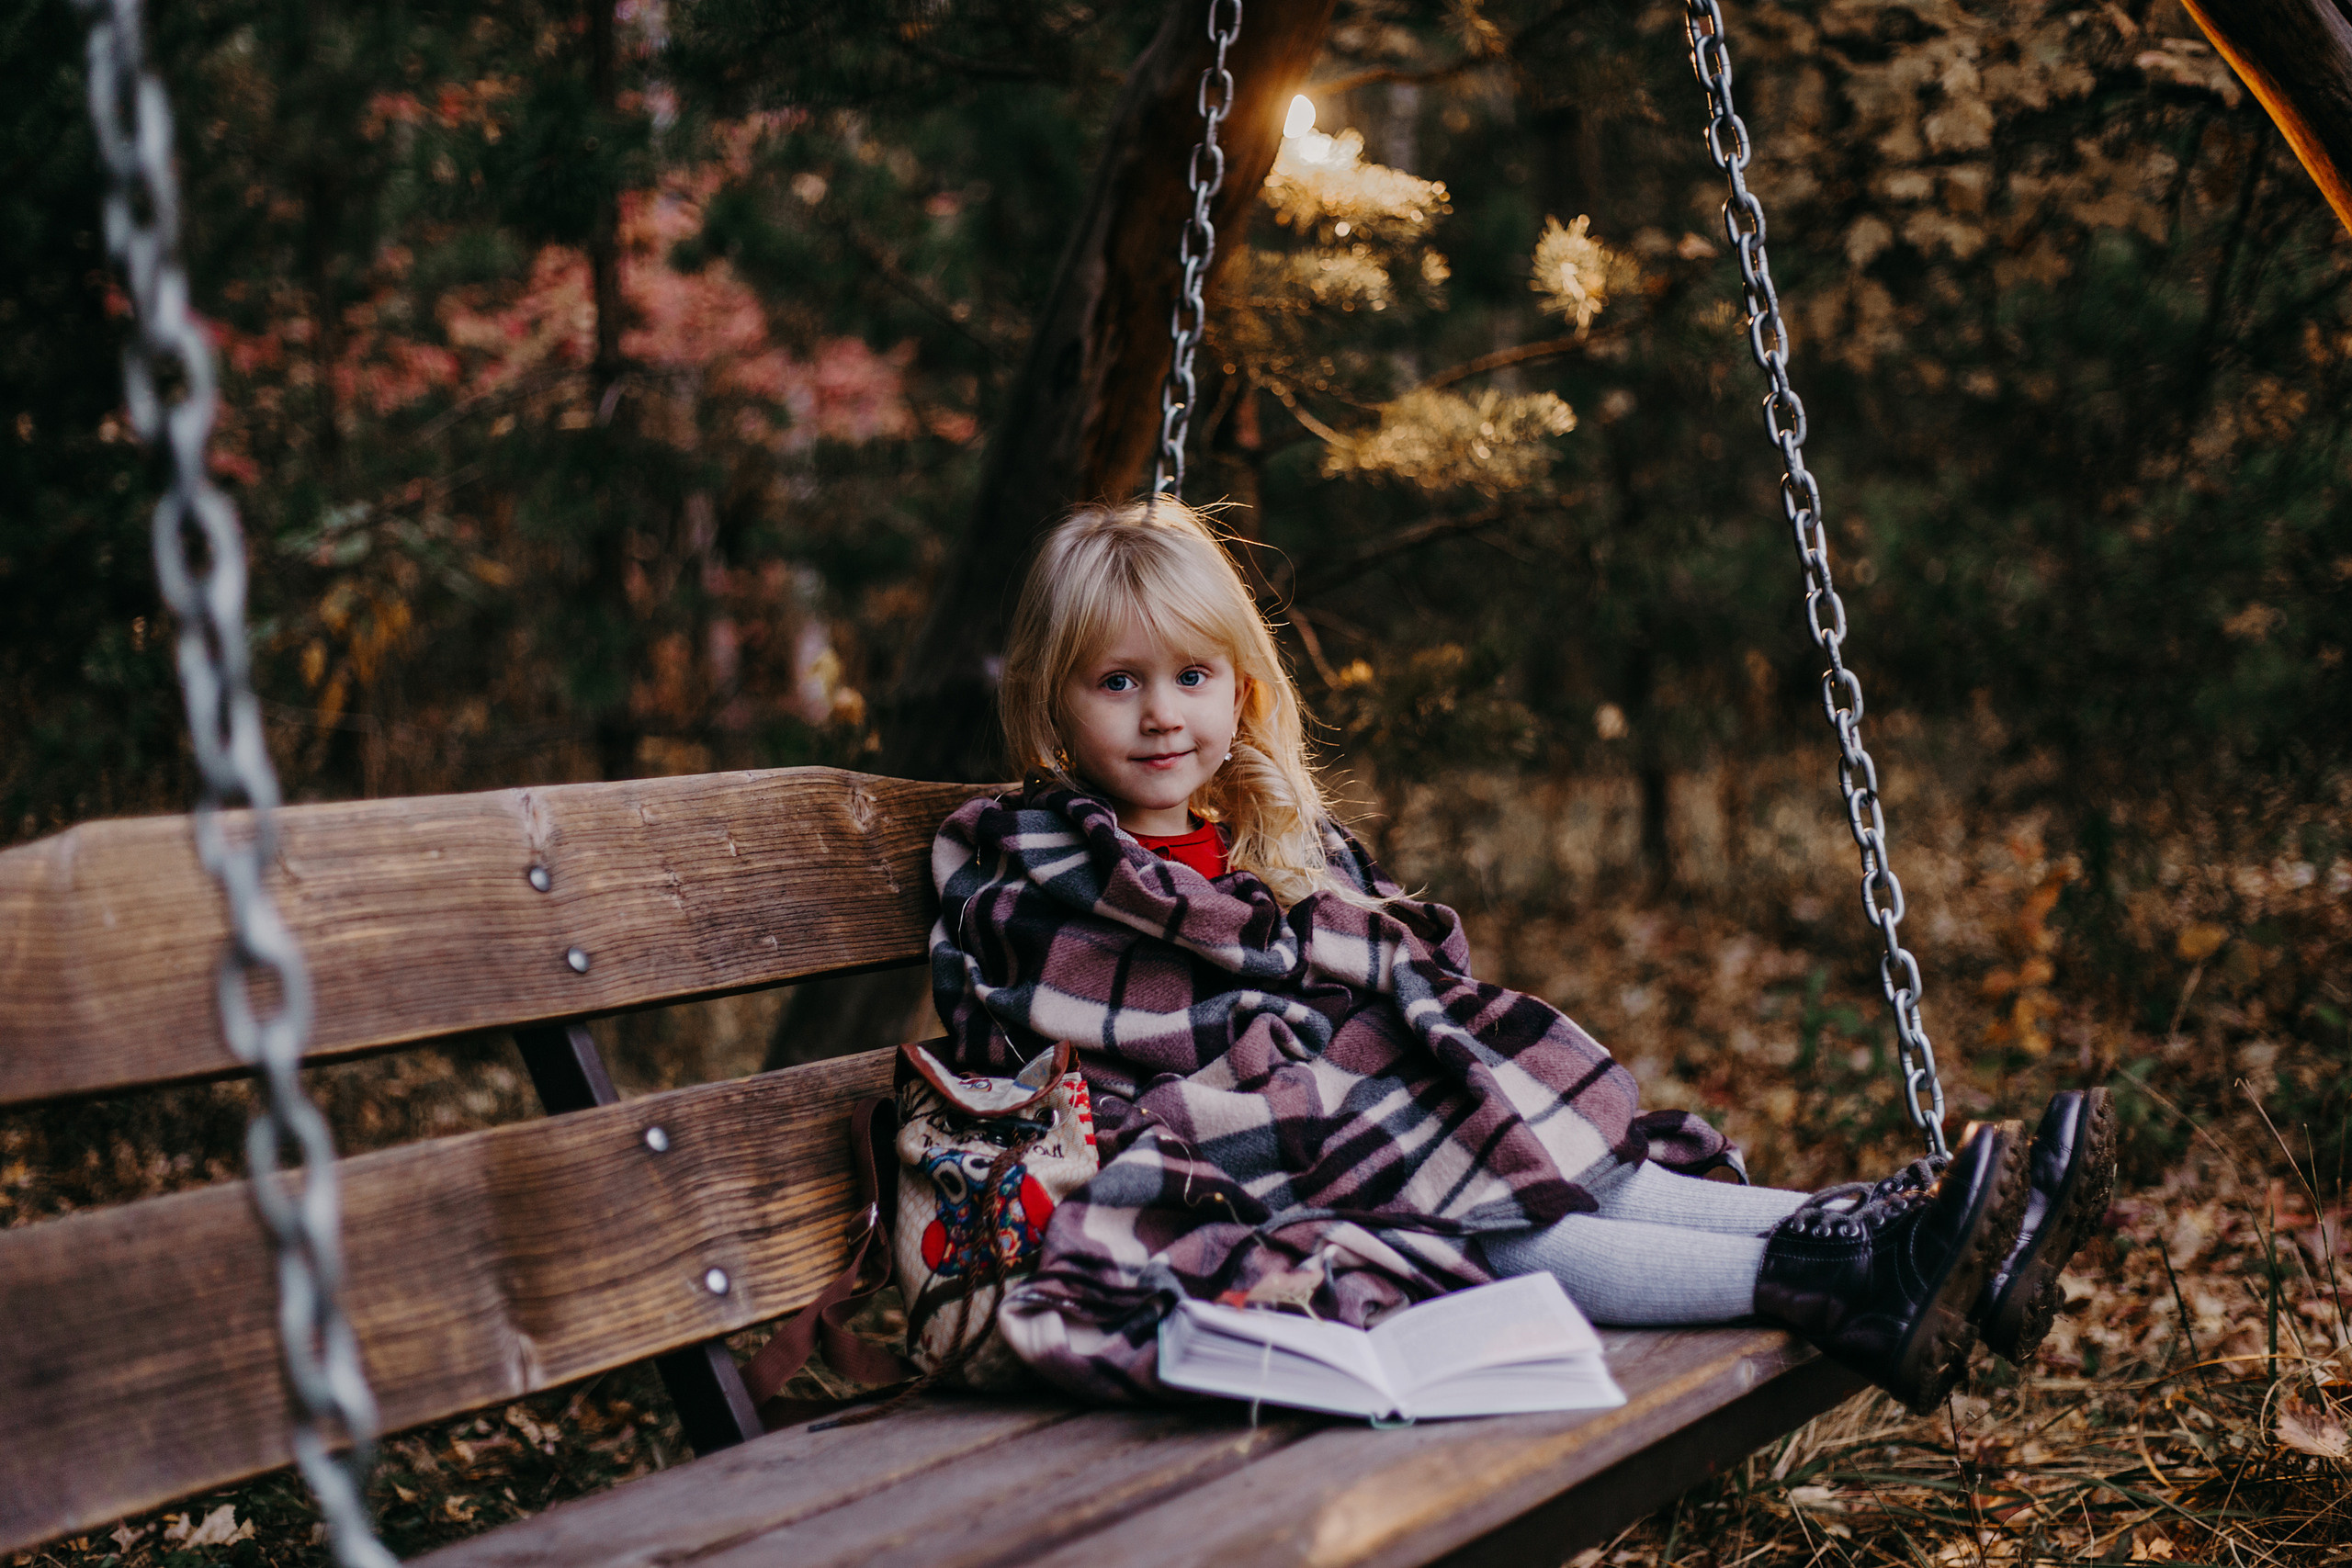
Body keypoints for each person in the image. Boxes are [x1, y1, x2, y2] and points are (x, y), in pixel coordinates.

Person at [926, 497, 2116, 1415]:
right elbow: (1058, 1033)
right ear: (1053, 699)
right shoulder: (1034, 866)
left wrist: (1399, 1051)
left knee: (1551, 1160)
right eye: (1118, 683)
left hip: (1350, 1122)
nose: (1161, 716)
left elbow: (1376, 972)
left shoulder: (1282, 841)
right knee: (1483, 1202)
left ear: (1242, 690)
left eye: (1190, 677)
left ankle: (1909, 1226)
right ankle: (1851, 1270)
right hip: (1212, 1158)